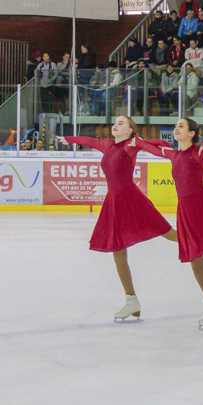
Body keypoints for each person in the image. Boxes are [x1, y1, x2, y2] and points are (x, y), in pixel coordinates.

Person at [57, 117, 180, 322]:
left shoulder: (132, 144)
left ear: (131, 130)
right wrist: (69, 139)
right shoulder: (108, 145)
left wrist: (174, 153)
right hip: (114, 202)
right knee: (118, 251)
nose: (116, 125)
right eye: (115, 122)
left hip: (131, 199)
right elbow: (89, 141)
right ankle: (131, 300)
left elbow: (156, 150)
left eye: (122, 123)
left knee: (169, 234)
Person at [135, 118, 203, 330]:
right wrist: (136, 140)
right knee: (195, 262)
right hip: (185, 210)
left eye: (181, 126)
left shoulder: (199, 152)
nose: (177, 128)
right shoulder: (173, 154)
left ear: (192, 133)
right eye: (176, 126)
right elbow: (148, 147)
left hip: (202, 204)